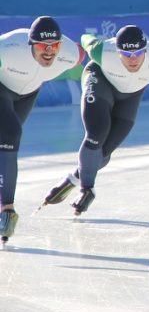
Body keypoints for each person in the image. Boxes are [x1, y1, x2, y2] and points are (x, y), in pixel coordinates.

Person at [42, 25, 149, 216]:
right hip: (100, 80)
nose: (132, 59)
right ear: (117, 52)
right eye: (126, 54)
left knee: (104, 152)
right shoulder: (102, 51)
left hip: (130, 96)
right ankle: (87, 188)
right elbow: (86, 38)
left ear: (146, 51)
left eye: (138, 53)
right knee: (96, 133)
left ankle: (74, 179)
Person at [0, 16, 85, 248]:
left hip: (28, 94)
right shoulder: (9, 47)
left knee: (7, 147)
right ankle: (6, 210)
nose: (48, 52)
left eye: (53, 46)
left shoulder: (70, 53)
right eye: (42, 47)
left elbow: (86, 54)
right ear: (30, 44)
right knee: (10, 134)